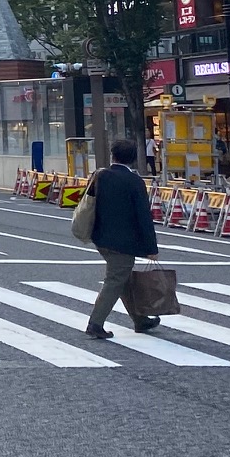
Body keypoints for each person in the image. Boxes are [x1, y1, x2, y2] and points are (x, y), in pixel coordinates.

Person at [82, 137, 161, 340]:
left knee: (122, 278)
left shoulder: (101, 176)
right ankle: (95, 323)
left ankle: (140, 319)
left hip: (100, 237)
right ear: (133, 159)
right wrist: (151, 247)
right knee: (115, 280)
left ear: (113, 155)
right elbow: (144, 216)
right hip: (123, 242)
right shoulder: (134, 182)